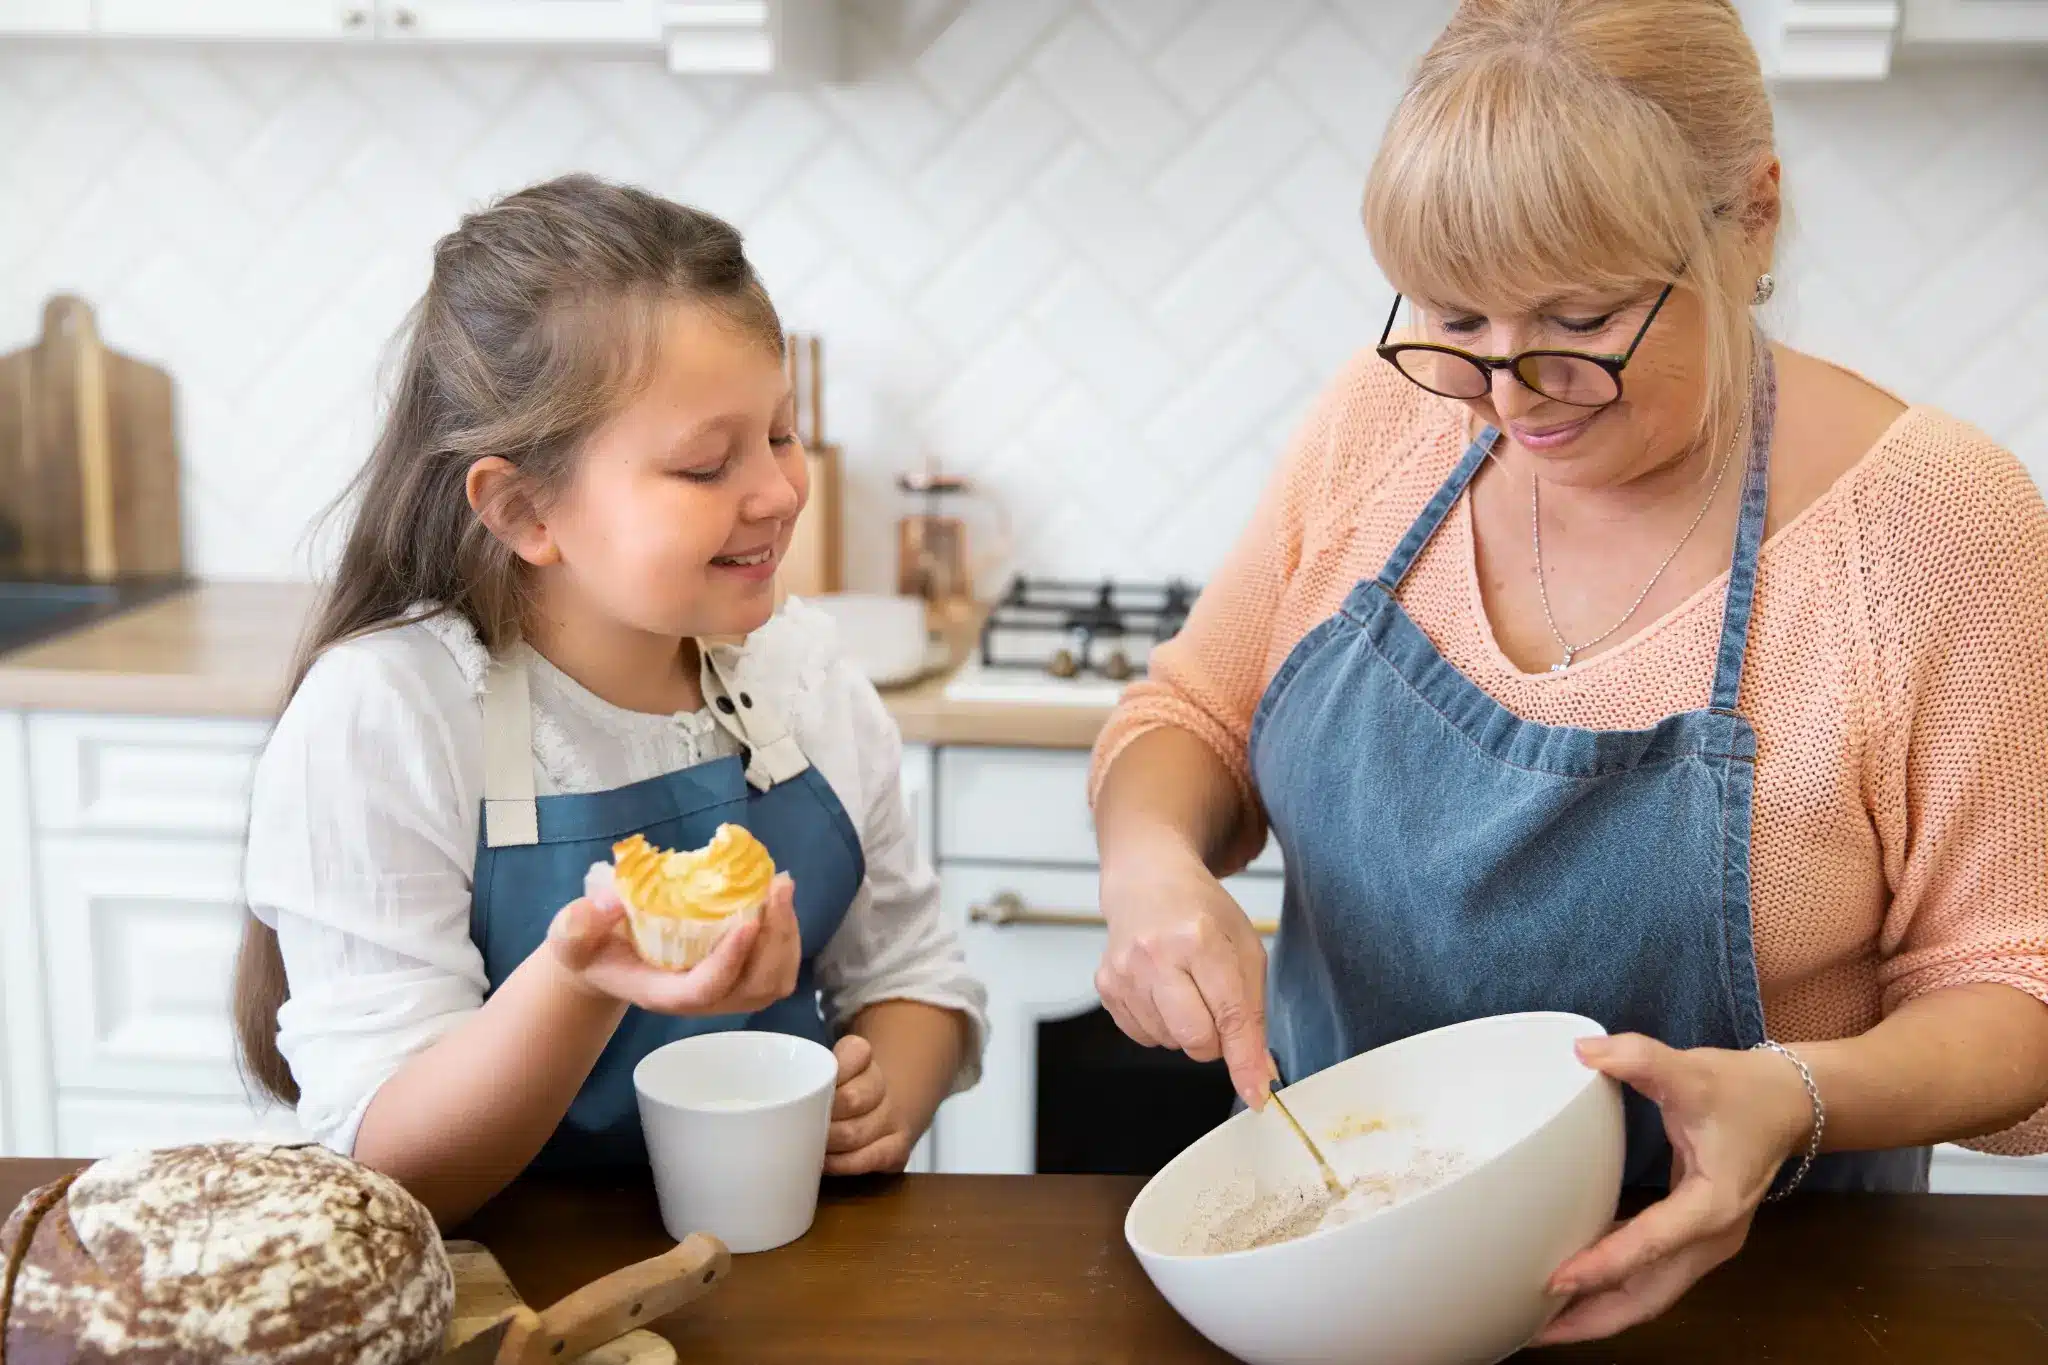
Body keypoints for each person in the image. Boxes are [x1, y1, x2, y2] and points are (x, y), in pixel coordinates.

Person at [1087, 0, 2048, 1343]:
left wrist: (1799, 1096)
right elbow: (1191, 716)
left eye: (1578, 321)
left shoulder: (1943, 527)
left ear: (1754, 218)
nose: (1504, 393)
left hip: (1768, 1297)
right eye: (1455, 316)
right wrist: (1149, 866)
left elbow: (2018, 987)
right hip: (1348, 1274)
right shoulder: (1391, 416)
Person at [233, 175, 986, 1225]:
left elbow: (914, 978)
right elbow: (386, 1170)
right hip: (500, 1293)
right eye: (703, 464)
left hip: (783, 1268)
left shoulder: (801, 675)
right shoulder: (390, 713)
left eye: (779, 433)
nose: (777, 491)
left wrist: (882, 1098)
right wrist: (586, 979)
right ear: (523, 507)